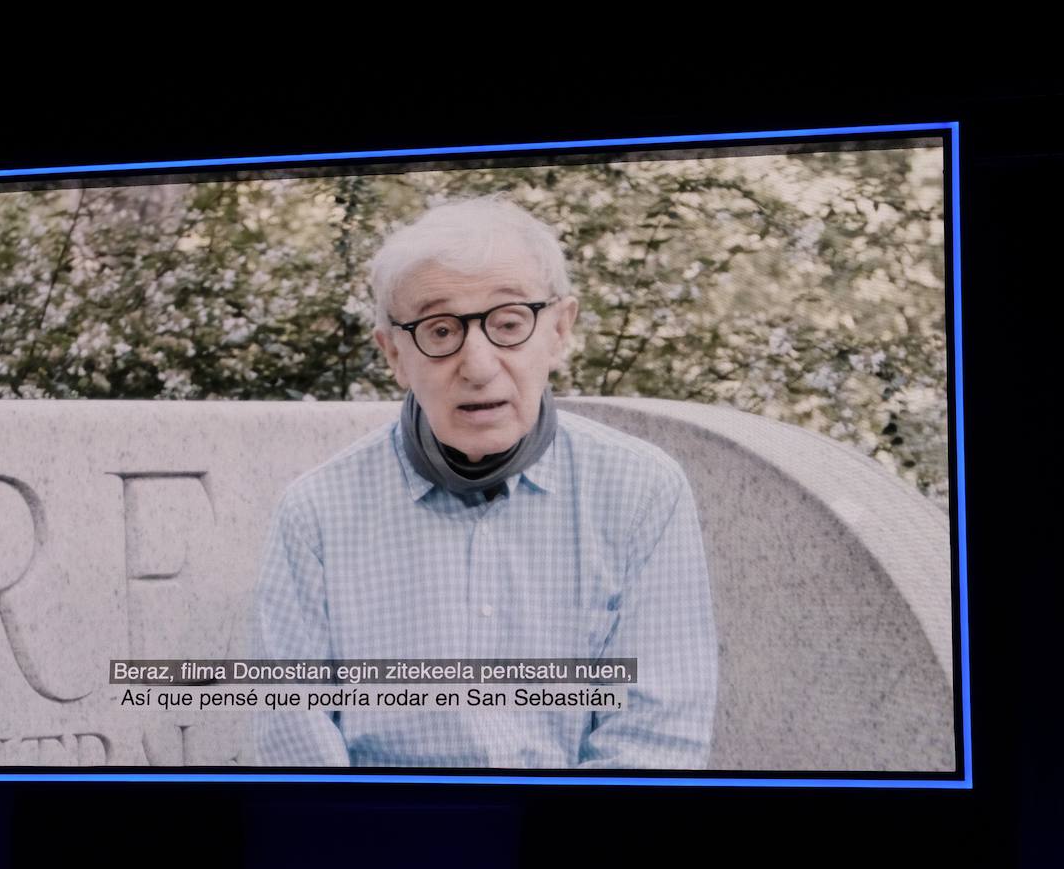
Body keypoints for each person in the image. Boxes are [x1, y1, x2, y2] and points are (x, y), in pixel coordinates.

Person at [252, 194, 717, 769]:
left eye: (508, 324)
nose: (477, 364)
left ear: (559, 330)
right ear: (394, 353)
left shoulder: (642, 490)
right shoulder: (315, 511)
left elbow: (658, 735)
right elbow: (291, 728)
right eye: (440, 330)